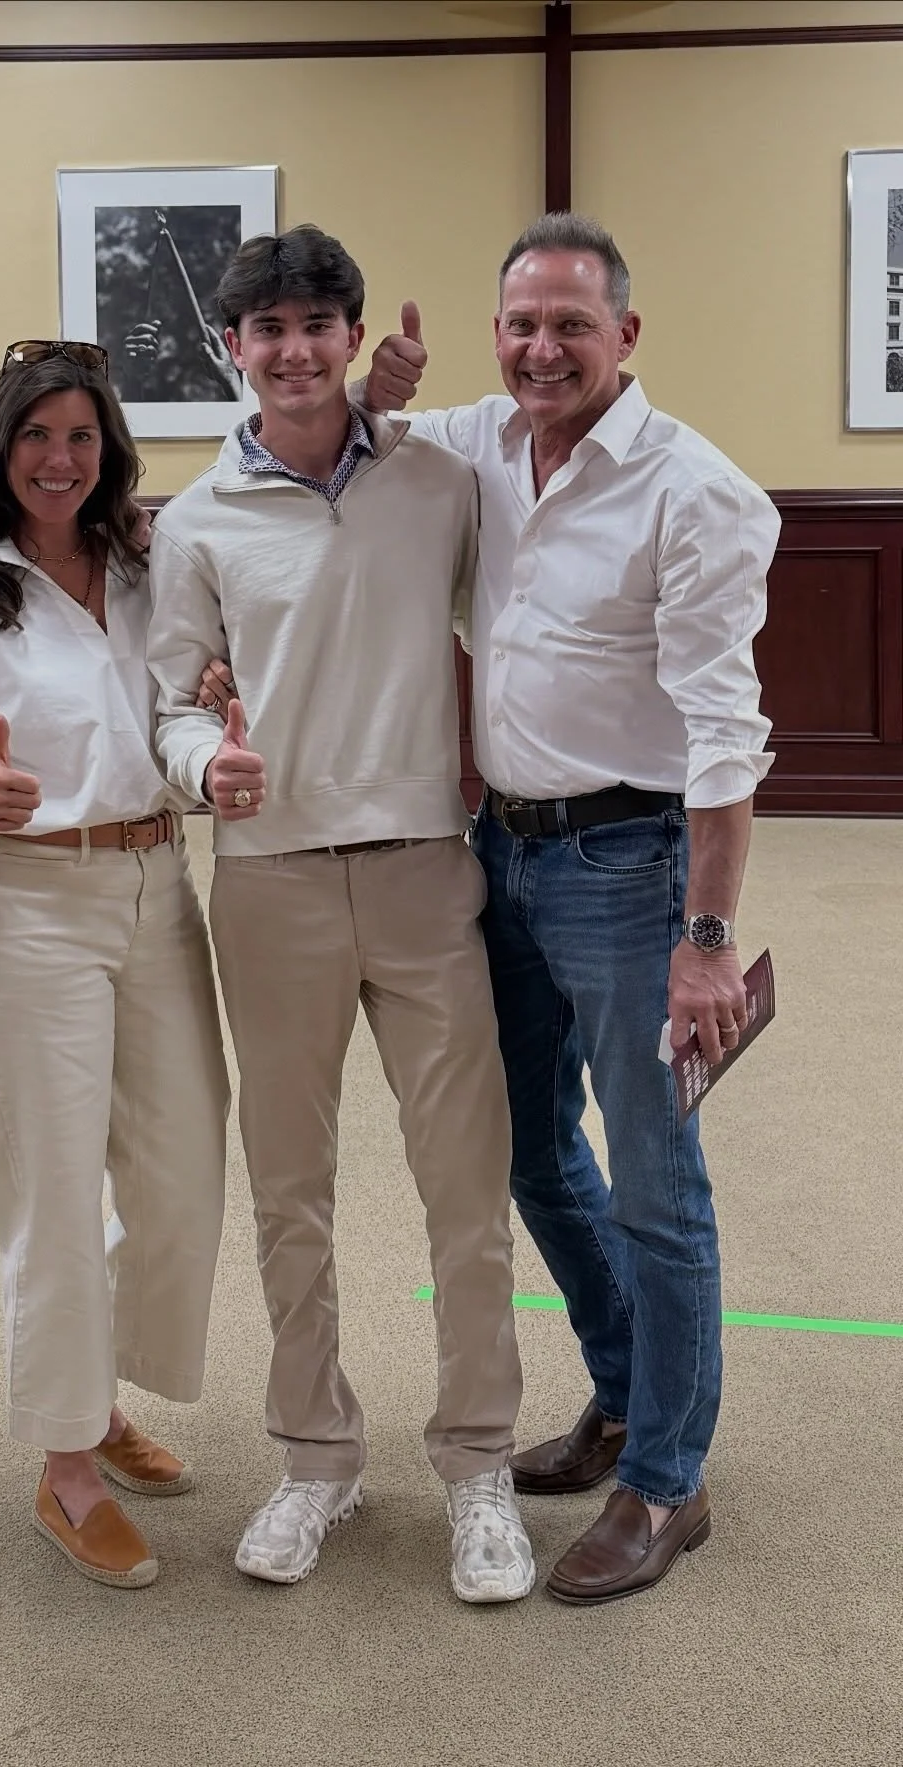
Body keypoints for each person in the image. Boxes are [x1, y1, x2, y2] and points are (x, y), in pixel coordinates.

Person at [357, 211, 779, 1603]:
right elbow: (357, 454)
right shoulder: (481, 438)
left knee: (658, 1186)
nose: (543, 348)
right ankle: (621, 1387)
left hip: (632, 868)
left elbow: (727, 734)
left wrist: (707, 943)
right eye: (522, 324)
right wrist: (376, 391)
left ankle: (669, 1478)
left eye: (572, 326)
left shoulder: (694, 491)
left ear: (627, 337)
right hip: (503, 855)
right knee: (531, 1147)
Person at [148, 226, 535, 1604]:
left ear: (354, 335)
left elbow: (521, 601)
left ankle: (479, 1457)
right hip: (274, 884)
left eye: (321, 323)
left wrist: (402, 406)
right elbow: (164, 703)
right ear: (232, 349)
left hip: (432, 867)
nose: (296, 348)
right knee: (290, 1191)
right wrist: (207, 764)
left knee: (463, 1188)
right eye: (270, 329)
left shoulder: (437, 478)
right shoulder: (196, 524)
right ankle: (317, 1453)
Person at [0, 340, 230, 1591]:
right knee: (49, 1181)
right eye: (35, 437)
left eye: (81, 437)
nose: (58, 459)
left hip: (161, 886)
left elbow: (187, 705)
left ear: (109, 451)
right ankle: (65, 1465)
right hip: (33, 896)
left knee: (187, 1162)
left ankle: (90, 1397)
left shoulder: (148, 568)